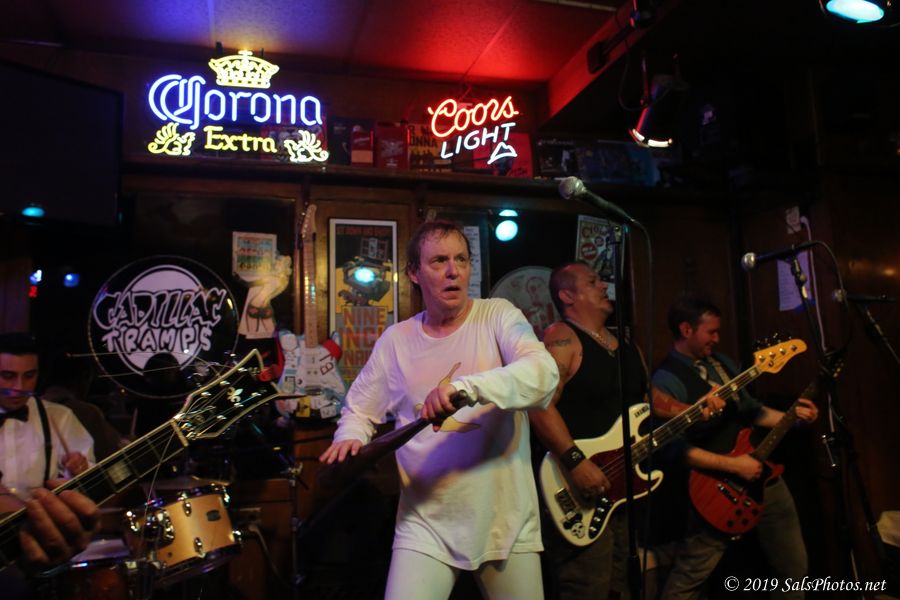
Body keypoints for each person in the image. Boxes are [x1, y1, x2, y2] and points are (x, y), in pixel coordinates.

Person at [320, 220, 560, 600]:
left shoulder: (498, 315)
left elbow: (543, 374)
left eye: (461, 260)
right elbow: (359, 411)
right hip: (426, 523)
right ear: (414, 273)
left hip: (505, 520)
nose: (453, 271)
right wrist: (350, 436)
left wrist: (466, 388)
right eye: (439, 261)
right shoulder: (397, 340)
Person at [529, 262, 724, 600]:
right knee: (587, 586)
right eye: (592, 282)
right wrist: (576, 462)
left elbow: (649, 398)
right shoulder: (562, 338)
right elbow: (538, 404)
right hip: (576, 487)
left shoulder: (628, 346)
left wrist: (693, 409)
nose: (604, 286)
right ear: (568, 296)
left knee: (621, 585)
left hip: (620, 491)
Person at [651, 296, 818, 600]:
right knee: (690, 578)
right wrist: (734, 466)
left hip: (762, 476)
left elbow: (753, 412)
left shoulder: (724, 364)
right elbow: (673, 449)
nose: (717, 338)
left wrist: (794, 419)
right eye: (711, 332)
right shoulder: (666, 379)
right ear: (686, 329)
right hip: (714, 489)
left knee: (794, 571)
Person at [0, 332, 100, 594]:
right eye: (8, 376)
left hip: (40, 552)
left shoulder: (59, 417)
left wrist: (78, 473)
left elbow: (90, 485)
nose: (19, 387)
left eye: (29, 376)